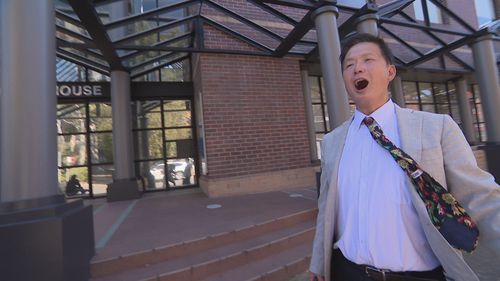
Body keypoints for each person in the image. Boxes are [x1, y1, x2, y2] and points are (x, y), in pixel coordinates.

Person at [309, 33, 500, 281]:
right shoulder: (333, 142)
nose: (357, 68)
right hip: (347, 272)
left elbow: (480, 197)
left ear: (390, 72)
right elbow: (326, 210)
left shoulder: (436, 128)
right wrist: (318, 262)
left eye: (367, 60)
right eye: (349, 64)